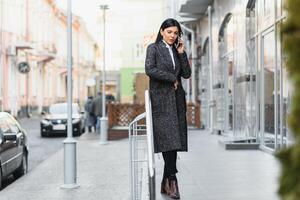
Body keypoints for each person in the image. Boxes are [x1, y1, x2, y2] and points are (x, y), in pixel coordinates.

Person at [145, 18, 191, 199]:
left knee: (175, 142)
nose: (173, 36)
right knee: (167, 141)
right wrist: (171, 78)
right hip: (162, 102)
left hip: (177, 101)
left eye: (175, 33)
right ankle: (172, 180)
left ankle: (166, 182)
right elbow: (149, 69)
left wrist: (182, 53)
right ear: (162, 31)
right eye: (169, 32)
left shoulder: (176, 49)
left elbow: (186, 74)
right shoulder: (153, 48)